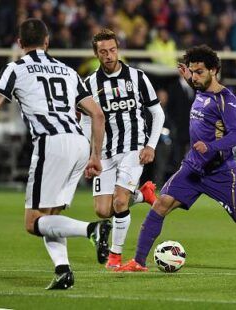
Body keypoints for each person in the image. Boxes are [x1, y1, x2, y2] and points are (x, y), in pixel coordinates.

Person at [114, 45, 236, 272]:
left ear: (214, 70)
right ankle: (138, 262)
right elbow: (199, 93)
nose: (195, 77)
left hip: (221, 172)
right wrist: (188, 78)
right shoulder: (201, 90)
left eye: (199, 72)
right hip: (193, 167)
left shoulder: (227, 99)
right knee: (160, 204)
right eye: (192, 72)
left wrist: (210, 146)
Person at [0, 18, 111, 289]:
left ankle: (91, 230)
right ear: (47, 42)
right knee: (51, 216)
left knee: (32, 221)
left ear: (19, 43)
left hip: (51, 143)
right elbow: (97, 114)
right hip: (79, 143)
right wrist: (95, 155)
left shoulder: (14, 68)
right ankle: (63, 271)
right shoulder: (68, 71)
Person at [80, 28, 165, 269]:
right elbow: (86, 121)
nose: (109, 55)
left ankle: (115, 257)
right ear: (96, 54)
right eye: (103, 52)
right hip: (105, 153)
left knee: (119, 202)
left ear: (118, 49)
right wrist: (91, 154)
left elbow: (157, 112)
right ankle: (142, 194)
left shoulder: (137, 77)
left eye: (112, 50)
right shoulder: (89, 84)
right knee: (102, 210)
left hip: (133, 147)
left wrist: (150, 145)